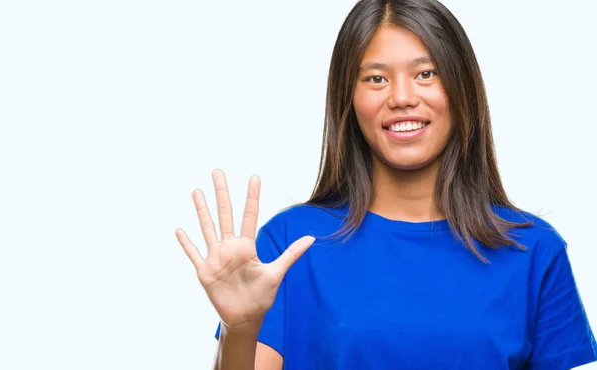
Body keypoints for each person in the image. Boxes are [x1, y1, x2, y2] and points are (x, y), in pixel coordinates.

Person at [175, 0, 597, 368]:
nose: (401, 97)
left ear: (462, 88)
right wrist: (241, 327)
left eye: (426, 73)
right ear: (350, 98)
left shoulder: (534, 251)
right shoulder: (290, 244)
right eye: (376, 78)